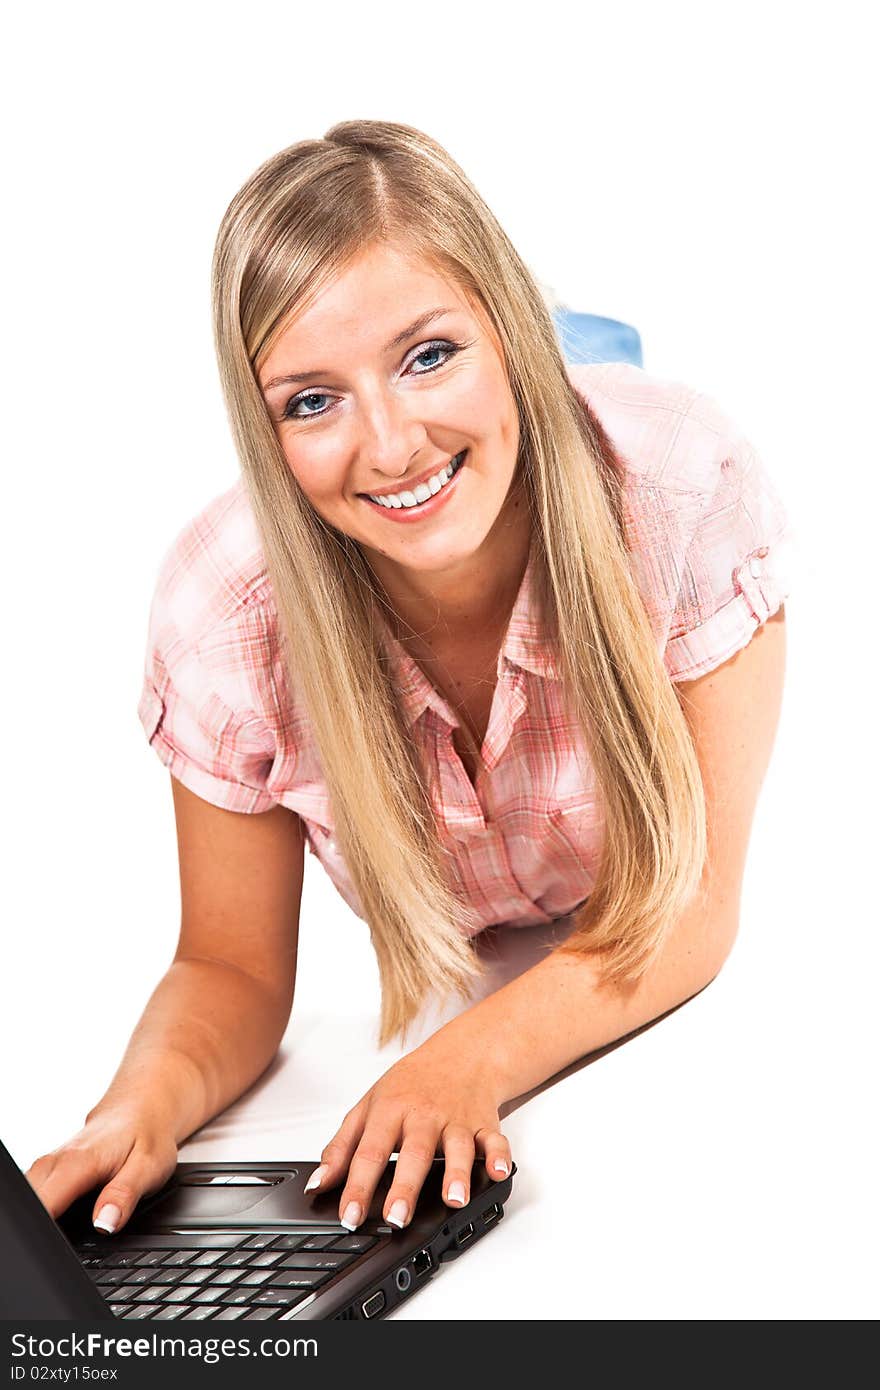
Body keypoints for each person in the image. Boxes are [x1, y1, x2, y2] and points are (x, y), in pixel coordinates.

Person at [26, 120, 791, 1245]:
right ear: (263, 429)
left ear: (506, 332)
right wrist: (136, 1110)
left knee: (568, 403)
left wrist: (464, 1061)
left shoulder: (680, 488)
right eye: (311, 400)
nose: (388, 445)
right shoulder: (224, 616)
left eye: (430, 354)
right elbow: (228, 965)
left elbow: (693, 904)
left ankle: (554, 350)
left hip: (587, 455)